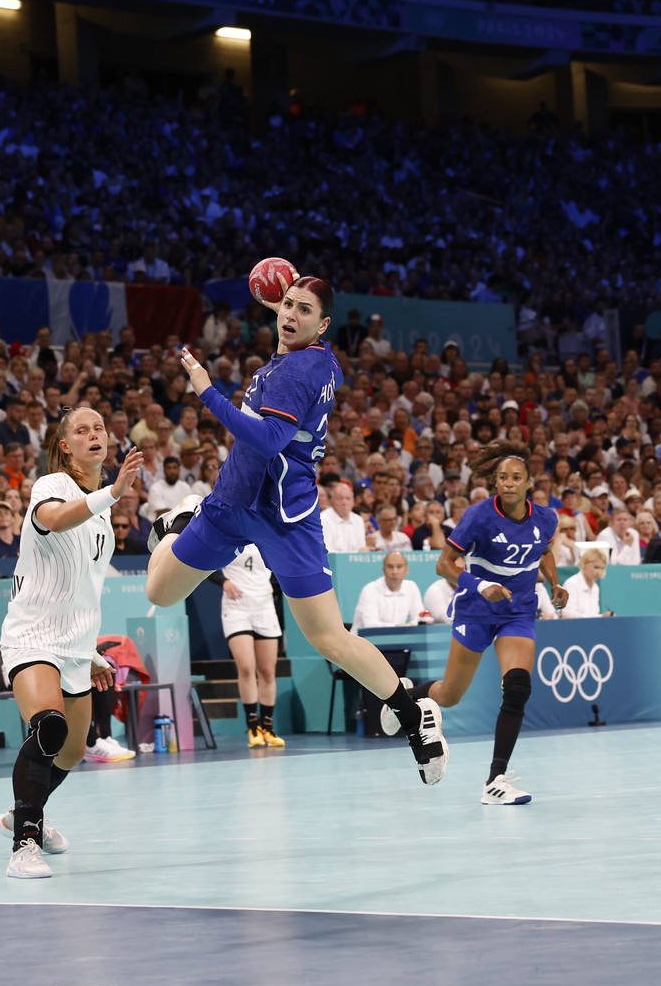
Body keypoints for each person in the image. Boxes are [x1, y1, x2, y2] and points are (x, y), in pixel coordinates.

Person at [145, 276, 450, 786]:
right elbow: (291, 333)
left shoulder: (302, 368)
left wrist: (207, 392)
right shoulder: (309, 356)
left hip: (285, 515)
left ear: (323, 325)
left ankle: (413, 710)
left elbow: (267, 438)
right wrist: (288, 309)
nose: (289, 315)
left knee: (328, 636)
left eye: (303, 310)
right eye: (286, 306)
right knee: (160, 589)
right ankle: (185, 517)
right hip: (232, 500)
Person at [0, 407, 142, 878]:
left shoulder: (103, 522)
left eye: (100, 427)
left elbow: (82, 590)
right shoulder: (51, 487)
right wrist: (112, 492)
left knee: (74, 750)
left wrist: (92, 651)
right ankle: (25, 842)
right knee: (50, 727)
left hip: (75, 647)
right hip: (32, 636)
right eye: (82, 430)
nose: (94, 435)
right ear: (66, 445)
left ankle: (24, 809)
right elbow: (56, 521)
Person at [411, 442, 566, 805]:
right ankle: (407, 697)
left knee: (517, 687)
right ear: (495, 483)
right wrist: (482, 585)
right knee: (449, 696)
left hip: (518, 611)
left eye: (516, 478)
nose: (508, 483)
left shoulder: (545, 518)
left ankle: (495, 780)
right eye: (502, 478)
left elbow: (542, 551)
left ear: (529, 483)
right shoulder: (479, 516)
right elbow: (444, 564)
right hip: (477, 609)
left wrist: (555, 582)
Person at [219, 537, 285, 747]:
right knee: (246, 667)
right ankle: (253, 726)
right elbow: (204, 564)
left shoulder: (268, 537)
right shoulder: (230, 536)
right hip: (236, 606)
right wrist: (224, 581)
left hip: (264, 605)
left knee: (267, 671)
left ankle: (268, 727)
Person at [352, 551, 429, 630]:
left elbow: (420, 618)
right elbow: (370, 624)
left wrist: (411, 624)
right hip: (362, 640)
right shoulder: (370, 590)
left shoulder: (411, 587)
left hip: (395, 638)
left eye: (399, 567)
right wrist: (400, 627)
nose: (395, 572)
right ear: (383, 570)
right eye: (390, 567)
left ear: (406, 570)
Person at [559, 546, 610, 618]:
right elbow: (568, 613)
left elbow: (593, 614)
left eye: (602, 568)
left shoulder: (595, 588)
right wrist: (601, 617)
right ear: (584, 564)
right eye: (596, 567)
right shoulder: (571, 584)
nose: (599, 572)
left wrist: (603, 617)